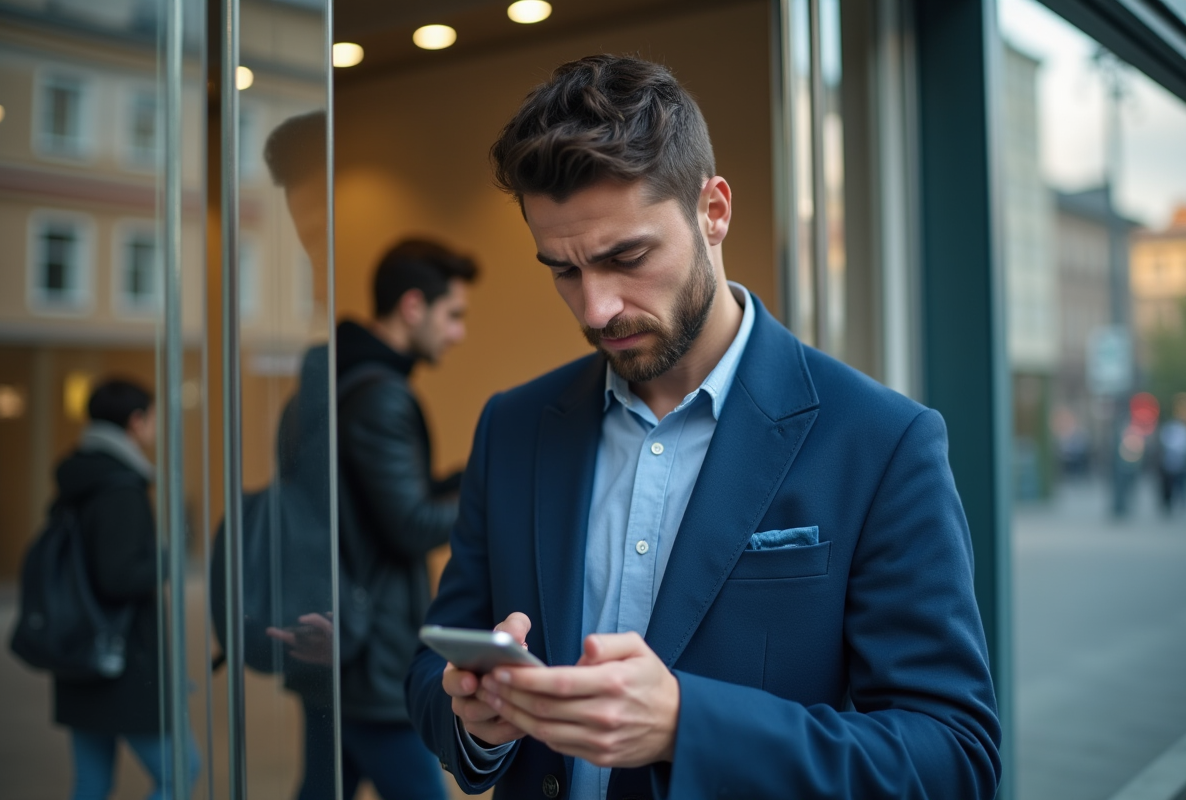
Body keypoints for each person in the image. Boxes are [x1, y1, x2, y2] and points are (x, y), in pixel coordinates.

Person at [405, 55, 1001, 799]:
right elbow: (434, 669)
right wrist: (473, 718)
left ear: (713, 210)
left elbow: (953, 756)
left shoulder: (882, 442)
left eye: (627, 257)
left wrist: (690, 725)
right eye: (563, 269)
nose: (595, 309)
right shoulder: (514, 426)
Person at [261, 111, 477, 800]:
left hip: (329, 639)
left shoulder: (328, 380)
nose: (460, 334)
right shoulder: (380, 397)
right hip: (370, 656)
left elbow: (371, 501)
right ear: (413, 306)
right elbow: (408, 524)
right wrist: (486, 489)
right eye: (453, 315)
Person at [53, 379, 200, 800]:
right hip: (122, 660)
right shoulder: (120, 486)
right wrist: (168, 559)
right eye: (154, 418)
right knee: (181, 770)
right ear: (136, 422)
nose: (155, 428)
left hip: (81, 651)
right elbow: (117, 577)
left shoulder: (81, 475)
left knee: (92, 783)